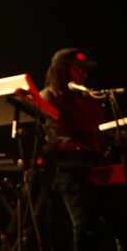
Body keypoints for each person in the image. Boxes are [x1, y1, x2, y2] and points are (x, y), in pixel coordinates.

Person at [40, 48, 126, 249]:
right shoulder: (50, 96)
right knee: (86, 227)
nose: (84, 75)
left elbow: (102, 131)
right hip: (72, 173)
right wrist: (86, 147)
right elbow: (56, 138)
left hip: (99, 170)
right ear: (63, 70)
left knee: (120, 224)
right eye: (79, 69)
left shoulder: (88, 98)